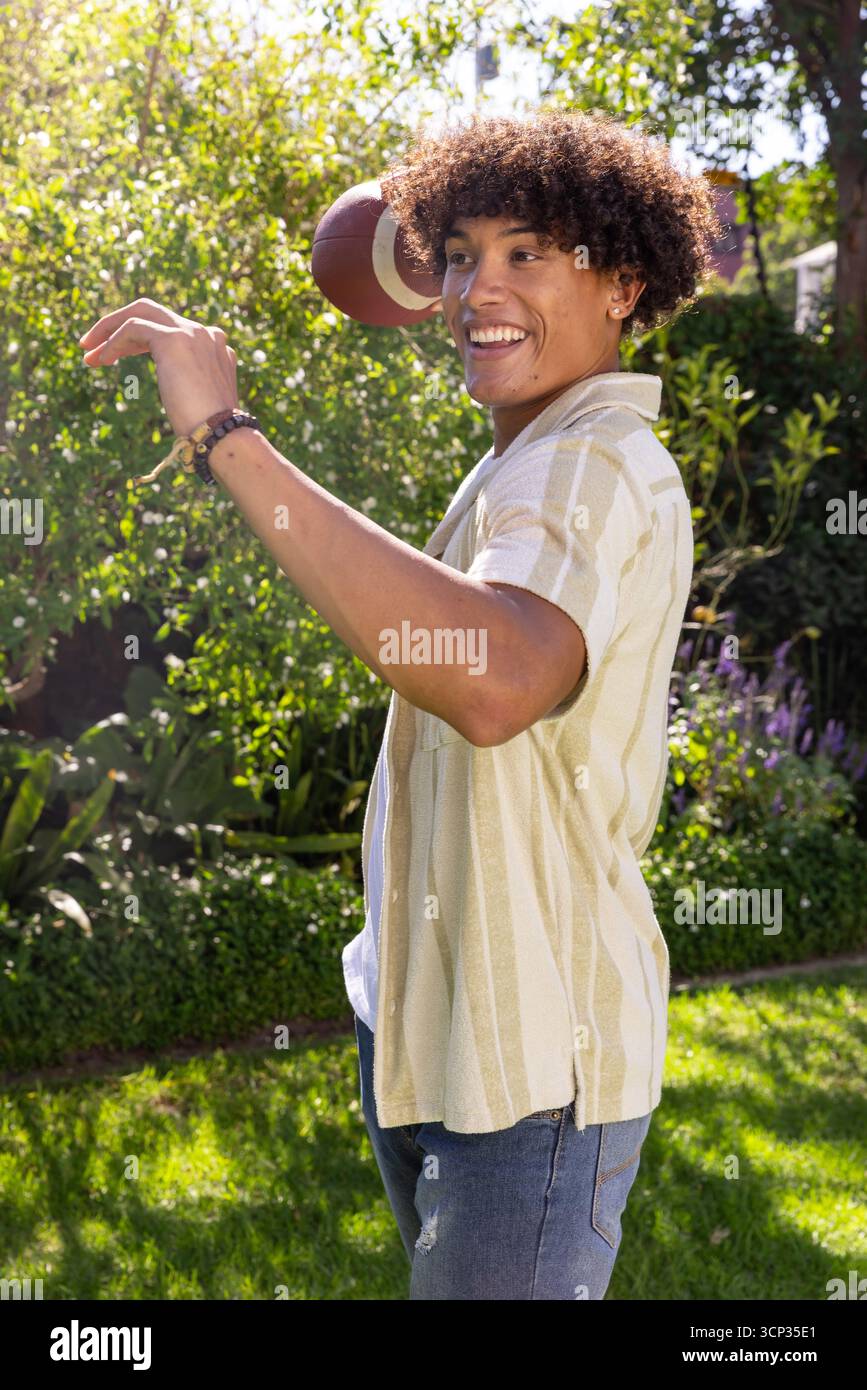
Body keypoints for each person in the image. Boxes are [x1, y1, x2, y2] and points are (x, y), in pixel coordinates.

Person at [78, 106, 719, 1300]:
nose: (481, 284)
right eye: (463, 252)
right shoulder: (527, 453)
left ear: (625, 281)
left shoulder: (593, 458)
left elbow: (493, 680)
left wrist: (225, 433)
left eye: (529, 252)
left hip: (531, 1067)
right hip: (441, 1027)